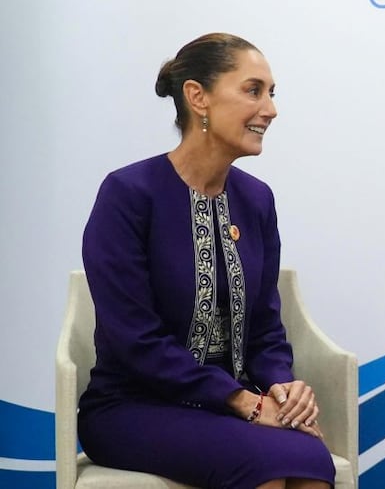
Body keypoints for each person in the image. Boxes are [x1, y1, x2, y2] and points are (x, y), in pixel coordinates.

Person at [79, 33, 335, 488]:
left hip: (230, 405)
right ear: (198, 96)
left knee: (311, 460)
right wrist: (244, 402)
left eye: (272, 93)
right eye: (253, 90)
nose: (271, 109)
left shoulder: (256, 200)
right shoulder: (128, 194)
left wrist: (281, 387)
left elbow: (264, 328)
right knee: (268, 466)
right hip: (132, 406)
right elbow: (135, 339)